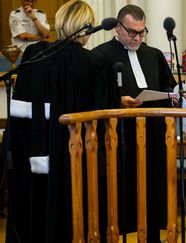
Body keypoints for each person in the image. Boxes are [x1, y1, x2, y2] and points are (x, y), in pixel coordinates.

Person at [7, 1, 119, 242]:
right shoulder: (97, 63)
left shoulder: (34, 55)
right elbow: (107, 117)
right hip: (79, 161)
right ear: (87, 28)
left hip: (38, 158)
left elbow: (20, 116)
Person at [92, 4, 177, 242]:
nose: (138, 37)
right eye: (132, 32)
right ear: (118, 28)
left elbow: (167, 86)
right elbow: (91, 96)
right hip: (119, 138)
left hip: (153, 135)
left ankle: (151, 236)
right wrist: (116, 100)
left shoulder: (154, 55)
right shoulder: (99, 56)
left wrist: (178, 94)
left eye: (142, 32)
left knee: (152, 188)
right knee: (121, 190)